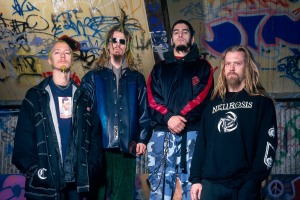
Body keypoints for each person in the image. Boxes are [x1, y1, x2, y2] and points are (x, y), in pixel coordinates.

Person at [12, 39, 101, 200]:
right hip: (44, 187)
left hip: (77, 187)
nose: (62, 56)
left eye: (67, 53)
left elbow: (94, 138)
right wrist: (36, 172)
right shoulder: (35, 97)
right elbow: (22, 142)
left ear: (72, 59)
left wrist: (90, 169)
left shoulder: (84, 98)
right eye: (57, 52)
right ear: (50, 60)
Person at [189, 45, 278, 200]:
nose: (231, 68)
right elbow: (201, 144)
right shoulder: (212, 105)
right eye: (228, 64)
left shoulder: (261, 103)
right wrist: (196, 179)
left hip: (245, 185)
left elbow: (268, 143)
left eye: (237, 63)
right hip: (211, 185)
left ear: (247, 67)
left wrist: (255, 177)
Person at [80, 20, 152, 199]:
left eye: (122, 41)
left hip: (128, 145)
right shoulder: (93, 77)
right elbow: (83, 113)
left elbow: (144, 110)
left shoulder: (136, 78)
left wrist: (142, 139)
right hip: (100, 145)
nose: (118, 44)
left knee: (123, 195)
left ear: (127, 47)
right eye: (114, 40)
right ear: (108, 45)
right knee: (99, 194)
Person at [146, 19, 214, 200]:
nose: (180, 34)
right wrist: (169, 118)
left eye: (185, 32)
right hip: (162, 134)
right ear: (171, 40)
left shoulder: (202, 67)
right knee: (158, 187)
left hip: (191, 133)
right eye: (176, 32)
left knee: (193, 188)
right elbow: (152, 99)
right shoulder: (159, 69)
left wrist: (180, 118)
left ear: (191, 39)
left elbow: (202, 97)